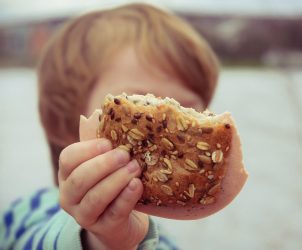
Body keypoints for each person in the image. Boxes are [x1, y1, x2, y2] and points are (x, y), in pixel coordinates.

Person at [0, 3, 219, 249]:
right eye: (139, 106)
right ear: (64, 122)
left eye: (187, 113)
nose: (167, 134)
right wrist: (101, 240)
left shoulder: (164, 241)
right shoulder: (28, 213)